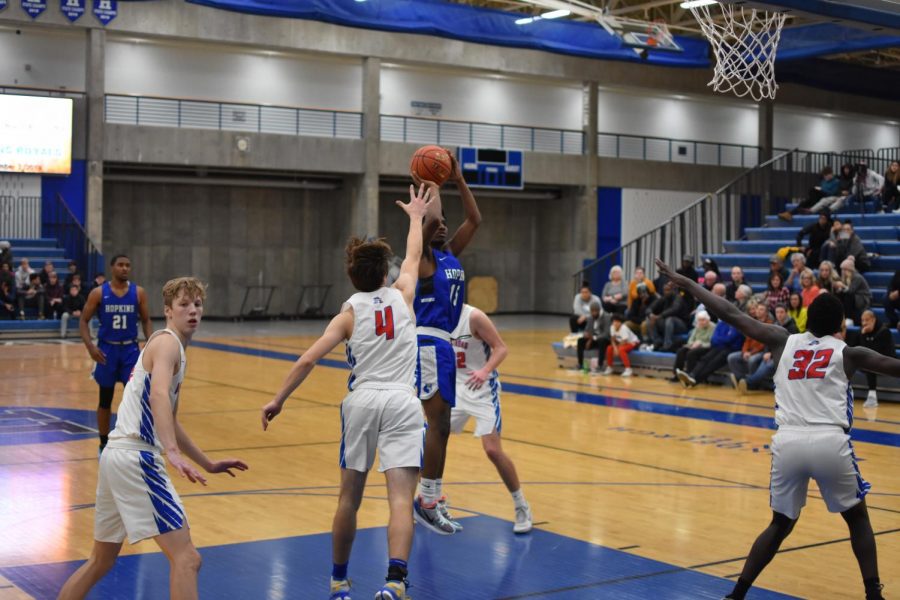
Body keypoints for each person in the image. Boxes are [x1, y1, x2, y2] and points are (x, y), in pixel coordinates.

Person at [657, 258, 889, 600]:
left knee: (779, 524)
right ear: (841, 324)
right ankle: (873, 594)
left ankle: (737, 594)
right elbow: (892, 366)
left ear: (807, 319)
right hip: (829, 441)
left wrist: (689, 284)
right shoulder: (848, 352)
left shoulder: (783, 341)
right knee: (857, 520)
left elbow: (732, 313)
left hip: (788, 442)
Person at [261, 184, 433, 600]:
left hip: (362, 403)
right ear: (386, 273)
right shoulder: (404, 294)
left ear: (352, 276)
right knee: (399, 501)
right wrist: (415, 217)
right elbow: (413, 255)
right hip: (402, 403)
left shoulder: (349, 313)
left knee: (348, 499)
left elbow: (306, 360)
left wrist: (278, 399)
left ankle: (339, 582)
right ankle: (395, 582)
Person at [57, 277, 248, 600]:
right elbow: (157, 394)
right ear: (168, 311)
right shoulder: (167, 342)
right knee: (187, 558)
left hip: (116, 457)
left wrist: (207, 462)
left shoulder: (175, 351)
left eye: (197, 305)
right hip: (136, 457)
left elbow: (170, 418)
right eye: (184, 305)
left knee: (100, 561)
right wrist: (170, 451)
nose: (193, 311)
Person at [411, 156, 481, 536]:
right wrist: (432, 182)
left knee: (439, 428)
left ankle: (429, 498)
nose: (444, 227)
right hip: (427, 342)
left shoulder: (450, 254)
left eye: (445, 226)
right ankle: (427, 500)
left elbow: (475, 220)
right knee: (437, 425)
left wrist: (459, 179)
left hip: (443, 345)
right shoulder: (421, 256)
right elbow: (434, 220)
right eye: (437, 224)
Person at [449, 303, 532, 533]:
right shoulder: (436, 315)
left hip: (483, 387)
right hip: (454, 387)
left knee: (492, 450)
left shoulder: (474, 317)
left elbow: (501, 348)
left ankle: (521, 505)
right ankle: (428, 499)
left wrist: (485, 371)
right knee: (429, 440)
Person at [80, 255, 153, 455]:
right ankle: (103, 442)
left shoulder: (138, 293)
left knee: (136, 399)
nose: (124, 268)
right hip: (107, 351)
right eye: (120, 265)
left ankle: (135, 439)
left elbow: (146, 320)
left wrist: (150, 342)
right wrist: (90, 347)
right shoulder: (98, 293)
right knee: (105, 399)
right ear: (112, 267)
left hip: (130, 350)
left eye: (128, 265)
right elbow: (83, 321)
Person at [675, 317, 744, 388]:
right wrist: (722, 340)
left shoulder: (736, 325)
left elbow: (729, 339)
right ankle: (692, 375)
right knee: (705, 358)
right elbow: (714, 339)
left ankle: (695, 380)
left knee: (713, 363)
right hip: (718, 347)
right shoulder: (721, 324)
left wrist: (720, 340)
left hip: (730, 349)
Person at [850, 310, 894, 409]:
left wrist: (864, 336)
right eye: (862, 320)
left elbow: (874, 353)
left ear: (873, 320)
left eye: (867, 320)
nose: (864, 323)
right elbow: (852, 348)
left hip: (886, 360)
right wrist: (863, 335)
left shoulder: (884, 332)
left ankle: (872, 395)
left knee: (870, 361)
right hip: (869, 362)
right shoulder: (861, 331)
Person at [647, 280, 691, 352]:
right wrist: (650, 314)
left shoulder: (678, 297)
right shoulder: (664, 298)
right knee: (650, 319)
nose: (665, 292)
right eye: (664, 290)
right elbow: (650, 307)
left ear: (673, 290)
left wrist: (660, 316)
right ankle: (657, 341)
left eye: (667, 290)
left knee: (669, 319)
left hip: (682, 325)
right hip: (668, 324)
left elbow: (674, 309)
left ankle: (667, 344)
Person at [671, 310, 714, 381]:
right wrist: (692, 344)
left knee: (691, 353)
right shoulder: (697, 327)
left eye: (703, 320)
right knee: (680, 351)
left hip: (706, 347)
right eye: (699, 320)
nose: (701, 322)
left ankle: (690, 375)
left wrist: (700, 344)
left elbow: (711, 342)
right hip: (694, 346)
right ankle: (677, 375)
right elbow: (690, 339)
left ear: (708, 320)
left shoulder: (712, 327)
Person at [833, 258, 871, 326]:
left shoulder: (857, 277)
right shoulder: (846, 278)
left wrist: (842, 286)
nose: (843, 271)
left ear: (850, 270)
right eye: (842, 269)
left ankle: (849, 318)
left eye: (844, 269)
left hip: (862, 298)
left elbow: (851, 290)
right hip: (855, 297)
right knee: (839, 295)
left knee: (848, 295)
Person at [577, 301, 610, 373]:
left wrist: (592, 339)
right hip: (592, 338)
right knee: (580, 341)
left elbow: (606, 333)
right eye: (592, 311)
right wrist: (586, 334)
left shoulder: (606, 316)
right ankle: (580, 364)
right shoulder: (590, 317)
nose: (594, 313)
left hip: (604, 339)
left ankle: (600, 365)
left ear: (599, 310)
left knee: (602, 340)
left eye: (595, 311)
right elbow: (587, 330)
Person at [603, 313, 639, 377]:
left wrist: (617, 348)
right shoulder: (612, 327)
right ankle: (610, 367)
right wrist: (615, 348)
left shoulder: (623, 328)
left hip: (633, 342)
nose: (615, 323)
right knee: (609, 348)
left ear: (620, 322)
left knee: (621, 349)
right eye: (614, 321)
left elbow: (625, 341)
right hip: (622, 343)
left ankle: (628, 369)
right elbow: (613, 339)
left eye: (617, 321)